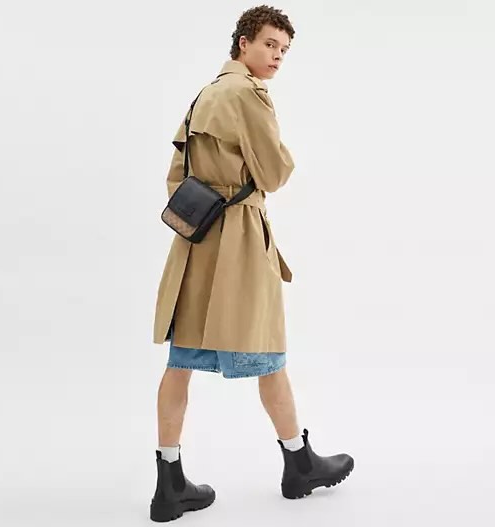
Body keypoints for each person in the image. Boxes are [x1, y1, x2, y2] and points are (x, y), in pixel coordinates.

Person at [150, 6, 354, 522]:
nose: (277, 56)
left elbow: (176, 175)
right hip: (239, 241)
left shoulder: (204, 96)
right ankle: (299, 462)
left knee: (180, 362)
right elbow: (275, 173)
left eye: (284, 50)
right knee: (268, 349)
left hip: (198, 243)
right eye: (269, 44)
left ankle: (169, 482)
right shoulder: (248, 94)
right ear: (243, 42)